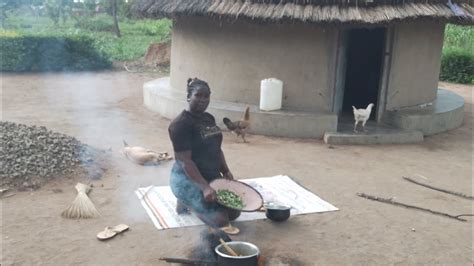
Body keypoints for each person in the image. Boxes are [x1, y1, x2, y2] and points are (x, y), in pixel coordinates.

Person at [168, 77, 240, 231]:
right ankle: (186, 200)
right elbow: (185, 161)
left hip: (210, 174)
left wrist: (225, 170)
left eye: (206, 96)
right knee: (220, 221)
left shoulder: (209, 118)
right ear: (188, 97)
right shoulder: (180, 125)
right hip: (188, 180)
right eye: (198, 95)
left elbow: (217, 148)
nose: (202, 100)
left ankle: (195, 201)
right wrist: (205, 187)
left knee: (234, 212)